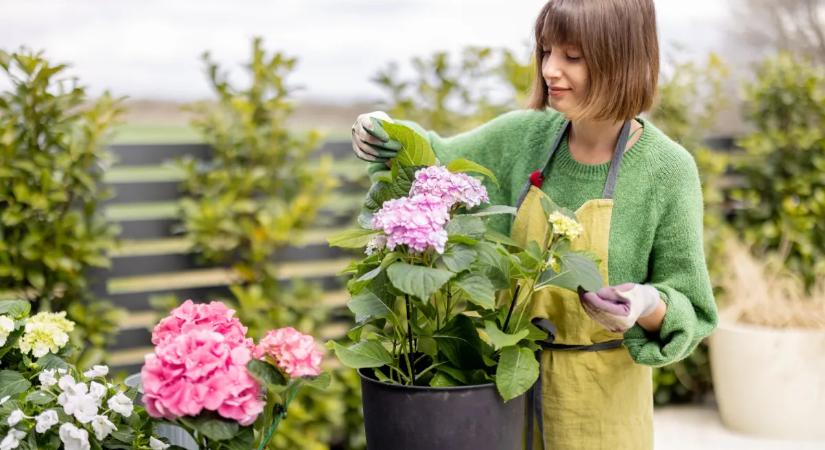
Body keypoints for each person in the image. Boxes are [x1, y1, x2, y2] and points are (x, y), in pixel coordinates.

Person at [350, 0, 718, 448]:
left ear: (622, 59)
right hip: (504, 388)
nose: (549, 70)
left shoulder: (667, 170)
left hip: (601, 408)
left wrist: (645, 303)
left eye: (572, 56)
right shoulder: (524, 137)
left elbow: (691, 306)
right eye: (546, 51)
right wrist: (384, 131)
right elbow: (433, 158)